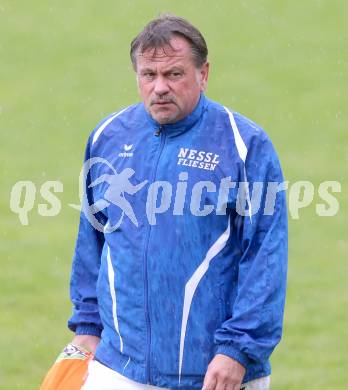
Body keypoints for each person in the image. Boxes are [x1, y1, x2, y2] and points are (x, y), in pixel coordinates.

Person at [63, 14, 287, 390]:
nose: (160, 88)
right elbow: (93, 242)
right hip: (118, 368)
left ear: (204, 73)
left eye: (174, 75)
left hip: (216, 373)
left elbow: (265, 257)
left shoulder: (244, 145)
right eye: (148, 75)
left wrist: (238, 350)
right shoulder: (108, 137)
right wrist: (87, 327)